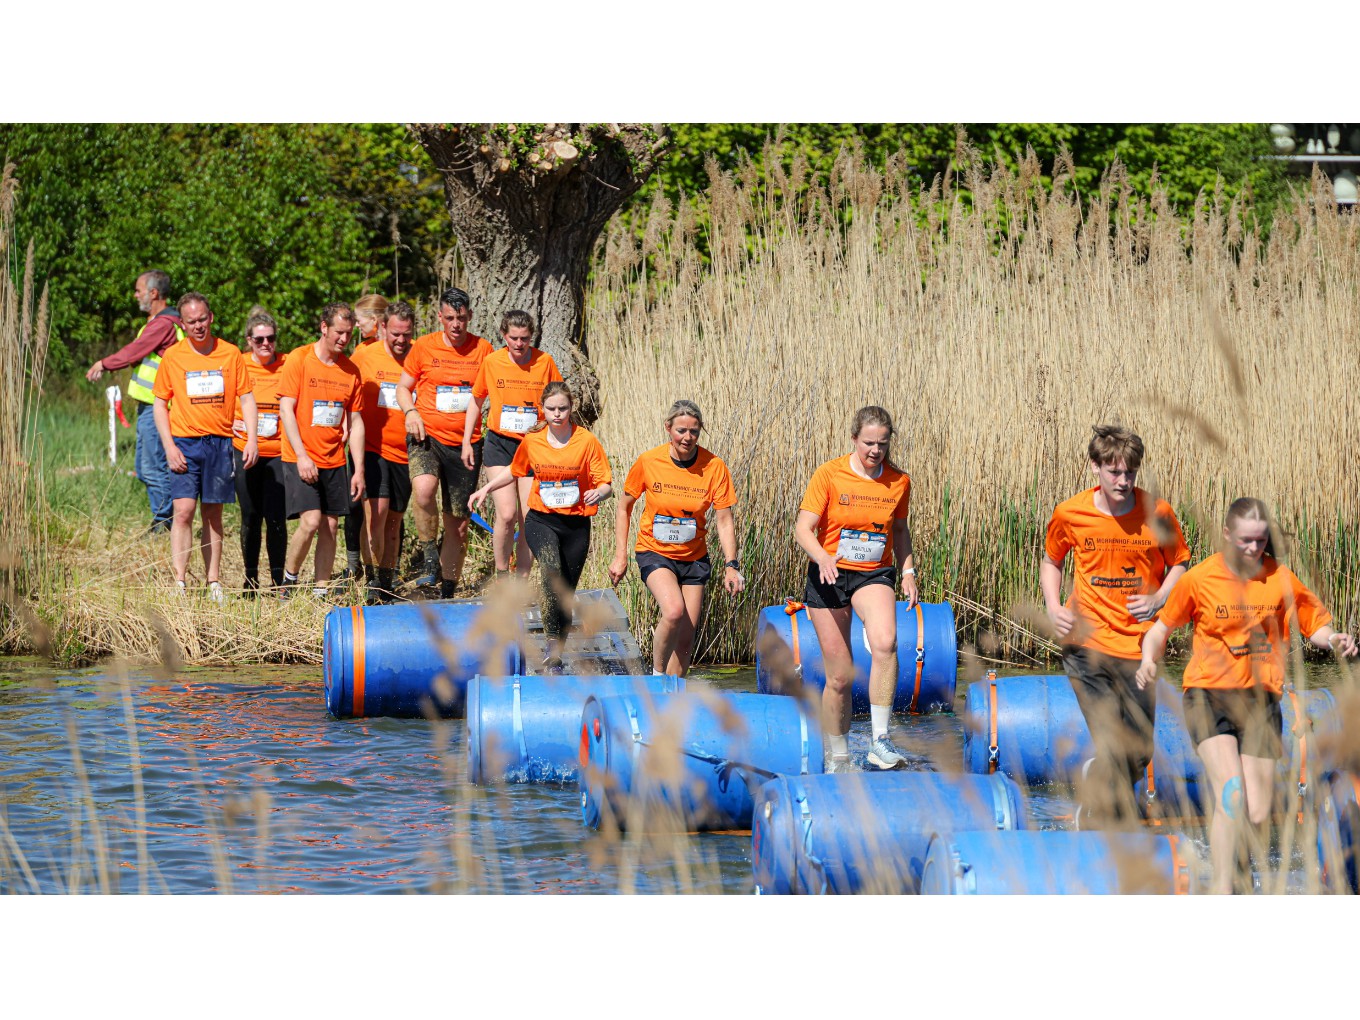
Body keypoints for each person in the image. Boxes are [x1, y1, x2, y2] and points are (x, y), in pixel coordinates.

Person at [1137, 498, 1357, 893]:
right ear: (1226, 535)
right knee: (1232, 794)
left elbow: (1315, 625)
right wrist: (1147, 661)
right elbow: (1159, 630)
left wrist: (1334, 640)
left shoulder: (1280, 578)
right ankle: (1223, 892)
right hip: (1208, 696)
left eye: (1259, 541)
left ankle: (1239, 878)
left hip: (1261, 703)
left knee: (1256, 810)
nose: (1254, 549)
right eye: (1245, 541)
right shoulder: (1200, 578)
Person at [1040, 425, 1191, 827]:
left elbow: (1180, 563)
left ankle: (1104, 792)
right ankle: (1103, 818)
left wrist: (1160, 599)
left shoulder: (1157, 513)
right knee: (1111, 741)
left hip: (1139, 649)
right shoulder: (1071, 513)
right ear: (1095, 468)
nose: (1123, 481)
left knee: (1139, 750)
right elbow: (1052, 561)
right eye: (1114, 472)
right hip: (1085, 645)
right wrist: (1053, 606)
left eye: (1130, 473)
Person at [794, 406, 916, 771]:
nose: (875, 451)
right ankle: (839, 754)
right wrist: (822, 557)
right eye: (868, 443)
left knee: (885, 642)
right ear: (853, 439)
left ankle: (879, 741)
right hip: (829, 575)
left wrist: (908, 570)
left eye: (882, 443)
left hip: (873, 574)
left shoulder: (899, 481)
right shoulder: (829, 474)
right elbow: (803, 528)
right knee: (841, 675)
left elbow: (899, 530)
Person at [469, 381, 611, 673]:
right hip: (541, 519)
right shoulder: (533, 440)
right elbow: (515, 470)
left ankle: (558, 651)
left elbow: (606, 483)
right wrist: (485, 489)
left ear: (571, 408)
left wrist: (600, 492)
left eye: (563, 408)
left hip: (576, 524)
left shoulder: (586, 441)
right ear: (542, 410)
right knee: (550, 569)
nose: (557, 414)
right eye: (551, 409)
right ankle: (550, 644)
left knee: (565, 591)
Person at [607, 399, 743, 676]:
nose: (688, 438)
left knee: (684, 639)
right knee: (673, 611)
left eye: (694, 431)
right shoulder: (649, 461)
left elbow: (724, 519)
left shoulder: (714, 466)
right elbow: (624, 507)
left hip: (693, 558)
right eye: (681, 430)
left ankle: (673, 699)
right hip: (654, 551)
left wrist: (731, 564)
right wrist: (620, 555)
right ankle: (657, 678)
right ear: (668, 428)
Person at [152, 292, 257, 602]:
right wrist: (169, 446)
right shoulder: (173, 356)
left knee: (213, 514)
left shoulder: (230, 353)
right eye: (191, 322)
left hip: (220, 443)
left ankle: (213, 581)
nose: (198, 326)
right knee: (183, 511)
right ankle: (180, 581)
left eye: (202, 320)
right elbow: (160, 404)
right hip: (184, 442)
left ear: (210, 318)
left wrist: (251, 438)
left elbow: (247, 397)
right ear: (182, 325)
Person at [397, 287, 493, 598]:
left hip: (466, 443)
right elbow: (402, 388)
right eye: (449, 318)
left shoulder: (483, 349)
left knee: (458, 526)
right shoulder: (424, 347)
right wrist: (410, 410)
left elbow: (497, 391)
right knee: (423, 490)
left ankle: (447, 590)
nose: (455, 324)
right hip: (426, 435)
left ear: (469, 317)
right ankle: (428, 557)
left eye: (461, 318)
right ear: (440, 317)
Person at [462, 310, 563, 578]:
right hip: (501, 443)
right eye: (514, 338)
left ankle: (522, 578)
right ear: (504, 336)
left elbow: (560, 401)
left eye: (525, 339)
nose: (519, 344)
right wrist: (466, 441)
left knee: (529, 516)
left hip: (533, 445)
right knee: (506, 514)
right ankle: (502, 573)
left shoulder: (545, 362)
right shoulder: (493, 362)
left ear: (532, 337)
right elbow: (476, 400)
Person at [278, 302, 366, 598]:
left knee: (330, 525)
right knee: (312, 520)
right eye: (339, 333)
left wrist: (358, 470)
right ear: (324, 328)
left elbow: (354, 421)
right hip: (299, 456)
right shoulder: (299, 360)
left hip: (334, 459)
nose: (344, 339)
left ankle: (320, 591)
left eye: (349, 334)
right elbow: (286, 410)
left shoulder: (351, 371)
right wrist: (302, 456)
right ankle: (289, 580)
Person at [86, 269, 183, 534]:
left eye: (139, 290)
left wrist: (104, 364)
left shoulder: (164, 324)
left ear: (154, 293)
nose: (135, 295)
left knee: (153, 467)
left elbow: (135, 351)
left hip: (159, 408)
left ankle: (163, 524)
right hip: (149, 406)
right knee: (143, 467)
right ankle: (165, 519)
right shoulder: (159, 322)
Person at [350, 301, 416, 603]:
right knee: (374, 515)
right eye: (395, 334)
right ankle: (372, 579)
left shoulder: (418, 356)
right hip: (373, 448)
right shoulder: (364, 356)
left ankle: (387, 582)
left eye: (406, 334)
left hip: (407, 451)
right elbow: (346, 394)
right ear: (382, 329)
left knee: (394, 521)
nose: (401, 341)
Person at [232, 312, 289, 593]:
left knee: (276, 516)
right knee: (251, 515)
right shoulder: (238, 363)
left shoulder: (287, 364)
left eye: (271, 338)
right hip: (244, 448)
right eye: (259, 339)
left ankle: (278, 580)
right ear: (249, 341)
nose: (266, 344)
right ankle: (250, 579)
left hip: (277, 451)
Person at [339, 293, 389, 579]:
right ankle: (353, 564)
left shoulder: (400, 349)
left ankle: (385, 566)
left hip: (391, 441)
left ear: (376, 321)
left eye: (360, 322)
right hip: (362, 438)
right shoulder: (360, 354)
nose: (357, 327)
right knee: (356, 503)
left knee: (387, 508)